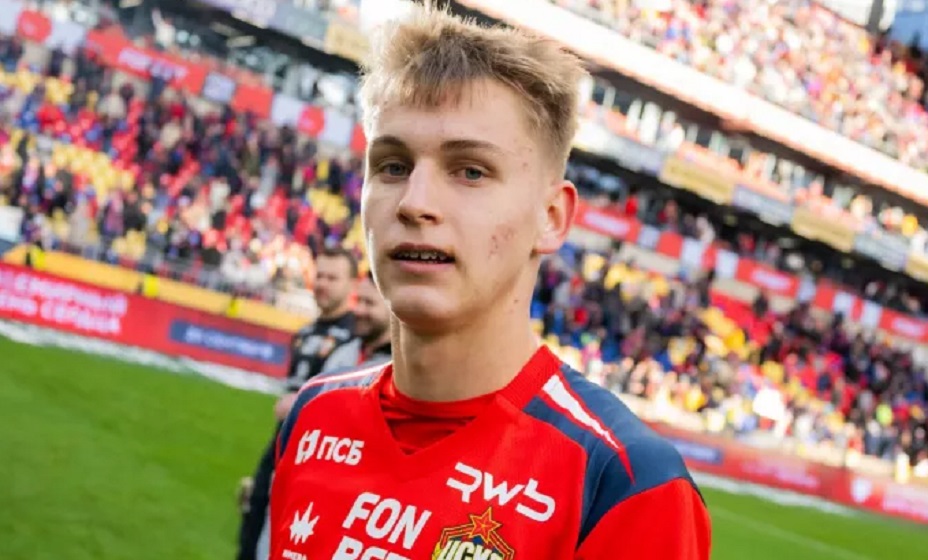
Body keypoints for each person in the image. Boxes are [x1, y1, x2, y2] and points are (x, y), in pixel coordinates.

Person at [269, 4, 711, 559]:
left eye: (471, 171)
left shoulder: (624, 484)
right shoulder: (314, 416)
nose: (414, 203)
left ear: (551, 218)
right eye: (392, 166)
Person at [253, 271, 393, 560]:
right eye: (358, 301)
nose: (359, 310)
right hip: (306, 485)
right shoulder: (343, 352)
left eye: (369, 303)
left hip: (352, 500)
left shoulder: (400, 370)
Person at [237, 246, 358, 560]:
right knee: (252, 525)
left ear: (351, 284)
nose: (323, 284)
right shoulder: (304, 332)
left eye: (333, 278)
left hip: (323, 456)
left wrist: (302, 405)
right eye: (320, 276)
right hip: (283, 445)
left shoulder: (356, 338)